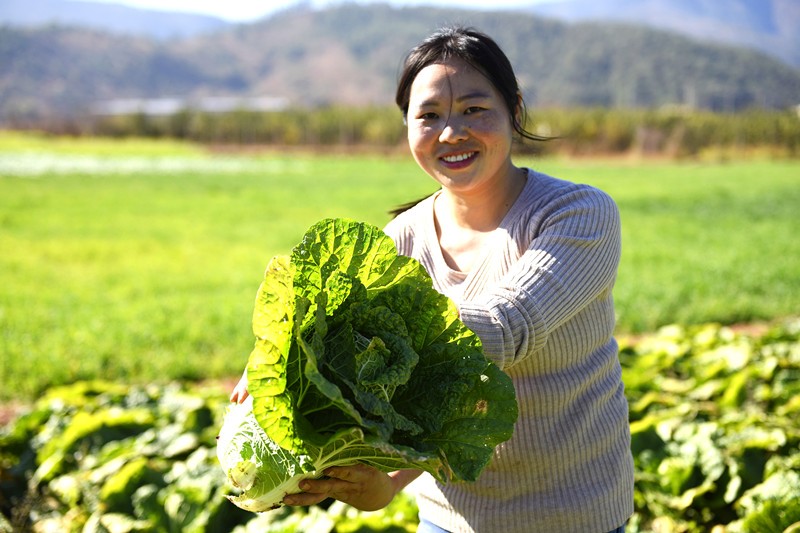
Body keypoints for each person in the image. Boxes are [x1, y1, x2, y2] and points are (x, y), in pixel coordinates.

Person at [230, 26, 634, 533]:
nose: (450, 133)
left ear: (515, 108)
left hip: (577, 519)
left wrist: (308, 340)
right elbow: (405, 415)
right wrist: (382, 481)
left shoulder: (577, 214)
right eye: (429, 116)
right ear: (407, 128)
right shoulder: (397, 244)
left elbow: (505, 329)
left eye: (473, 109)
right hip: (449, 523)